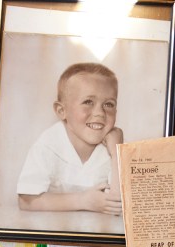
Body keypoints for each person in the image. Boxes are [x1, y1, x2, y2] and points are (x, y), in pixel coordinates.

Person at [17, 63, 123, 215]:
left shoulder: (113, 148)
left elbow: (118, 204)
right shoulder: (48, 144)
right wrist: (83, 201)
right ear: (62, 111)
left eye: (108, 104)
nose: (100, 113)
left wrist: (117, 153)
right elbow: (26, 200)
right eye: (88, 102)